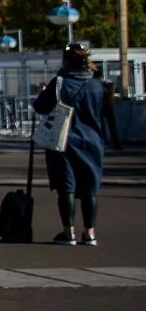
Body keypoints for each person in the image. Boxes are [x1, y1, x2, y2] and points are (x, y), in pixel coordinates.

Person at [35, 43, 108, 246]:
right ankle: (90, 233)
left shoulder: (59, 83)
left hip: (64, 140)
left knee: (66, 186)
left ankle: (69, 232)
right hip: (93, 140)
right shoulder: (96, 85)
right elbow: (105, 113)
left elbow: (40, 106)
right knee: (90, 187)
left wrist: (44, 92)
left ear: (65, 61)